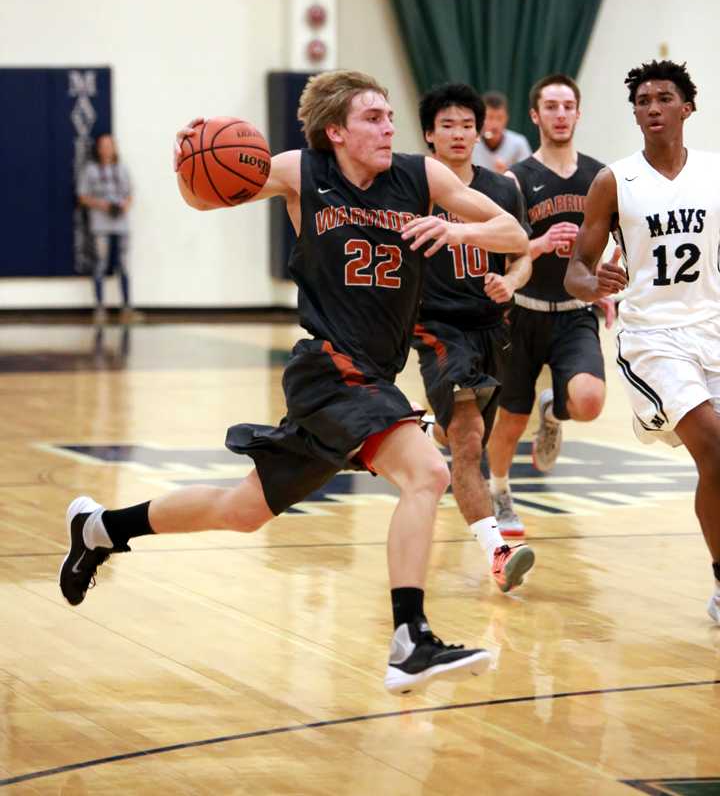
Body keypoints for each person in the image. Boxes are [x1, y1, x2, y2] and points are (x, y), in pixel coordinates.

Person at [59, 69, 529, 695]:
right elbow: (205, 196)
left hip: (368, 376)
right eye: (372, 118)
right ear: (335, 130)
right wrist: (189, 162)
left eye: (390, 116)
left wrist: (458, 229)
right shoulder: (301, 172)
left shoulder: (422, 177)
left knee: (243, 510)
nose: (388, 126)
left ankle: (98, 529)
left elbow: (513, 232)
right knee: (429, 473)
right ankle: (409, 639)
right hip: (331, 368)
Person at [565, 60, 720, 625]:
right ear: (634, 113)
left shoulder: (714, 172)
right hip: (652, 337)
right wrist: (594, 282)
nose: (652, 107)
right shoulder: (615, 180)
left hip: (712, 329)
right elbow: (576, 270)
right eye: (643, 100)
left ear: (687, 107)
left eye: (663, 98)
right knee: (715, 448)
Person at [413, 83, 535, 582]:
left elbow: (522, 254)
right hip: (437, 326)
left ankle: (422, 430)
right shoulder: (409, 189)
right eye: (449, 125)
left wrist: (509, 281)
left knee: (465, 432)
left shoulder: (502, 187)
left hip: (492, 326)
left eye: (468, 125)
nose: (461, 134)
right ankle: (497, 553)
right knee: (467, 441)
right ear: (429, 134)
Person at [485, 74, 612, 537]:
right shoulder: (515, 181)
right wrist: (538, 245)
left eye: (568, 106)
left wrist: (605, 285)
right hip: (520, 313)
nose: (561, 114)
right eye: (551, 107)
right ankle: (500, 492)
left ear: (579, 113)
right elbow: (499, 249)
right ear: (536, 116)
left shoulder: (601, 177)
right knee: (510, 419)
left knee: (590, 401)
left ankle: (555, 414)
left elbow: (611, 241)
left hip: (576, 313)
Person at [77, 133, 137, 323]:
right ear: (98, 148)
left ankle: (127, 307)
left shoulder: (122, 169)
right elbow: (82, 196)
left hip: (120, 222)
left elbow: (130, 193)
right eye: (103, 145)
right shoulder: (91, 170)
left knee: (124, 263)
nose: (106, 149)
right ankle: (100, 307)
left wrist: (124, 206)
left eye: (109, 145)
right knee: (100, 263)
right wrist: (102, 205)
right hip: (100, 222)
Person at [472, 91, 532, 173]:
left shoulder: (519, 143)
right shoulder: (471, 143)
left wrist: (509, 173)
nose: (495, 124)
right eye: (490, 117)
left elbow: (529, 176)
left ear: (507, 118)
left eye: (500, 118)